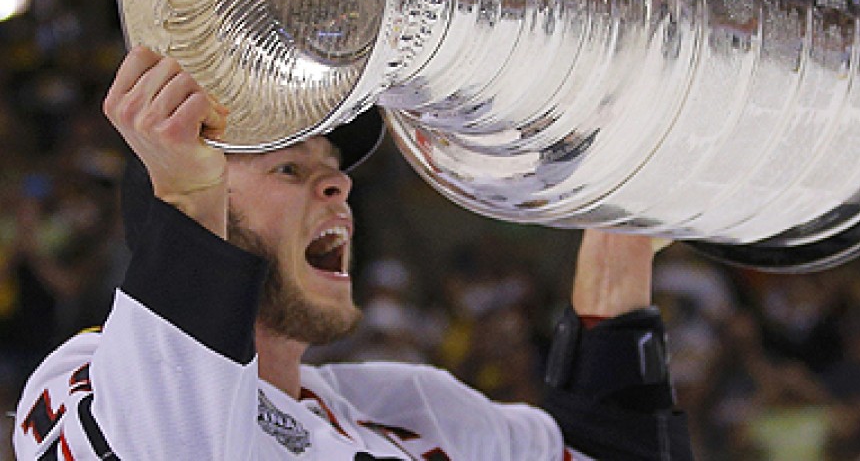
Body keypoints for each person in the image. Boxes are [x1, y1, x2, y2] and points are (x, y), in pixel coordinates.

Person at [13, 46, 693, 460]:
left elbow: (604, 454)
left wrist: (618, 240)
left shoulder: (405, 406)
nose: (338, 184)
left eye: (332, 167)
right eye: (287, 168)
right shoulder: (89, 375)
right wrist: (188, 197)